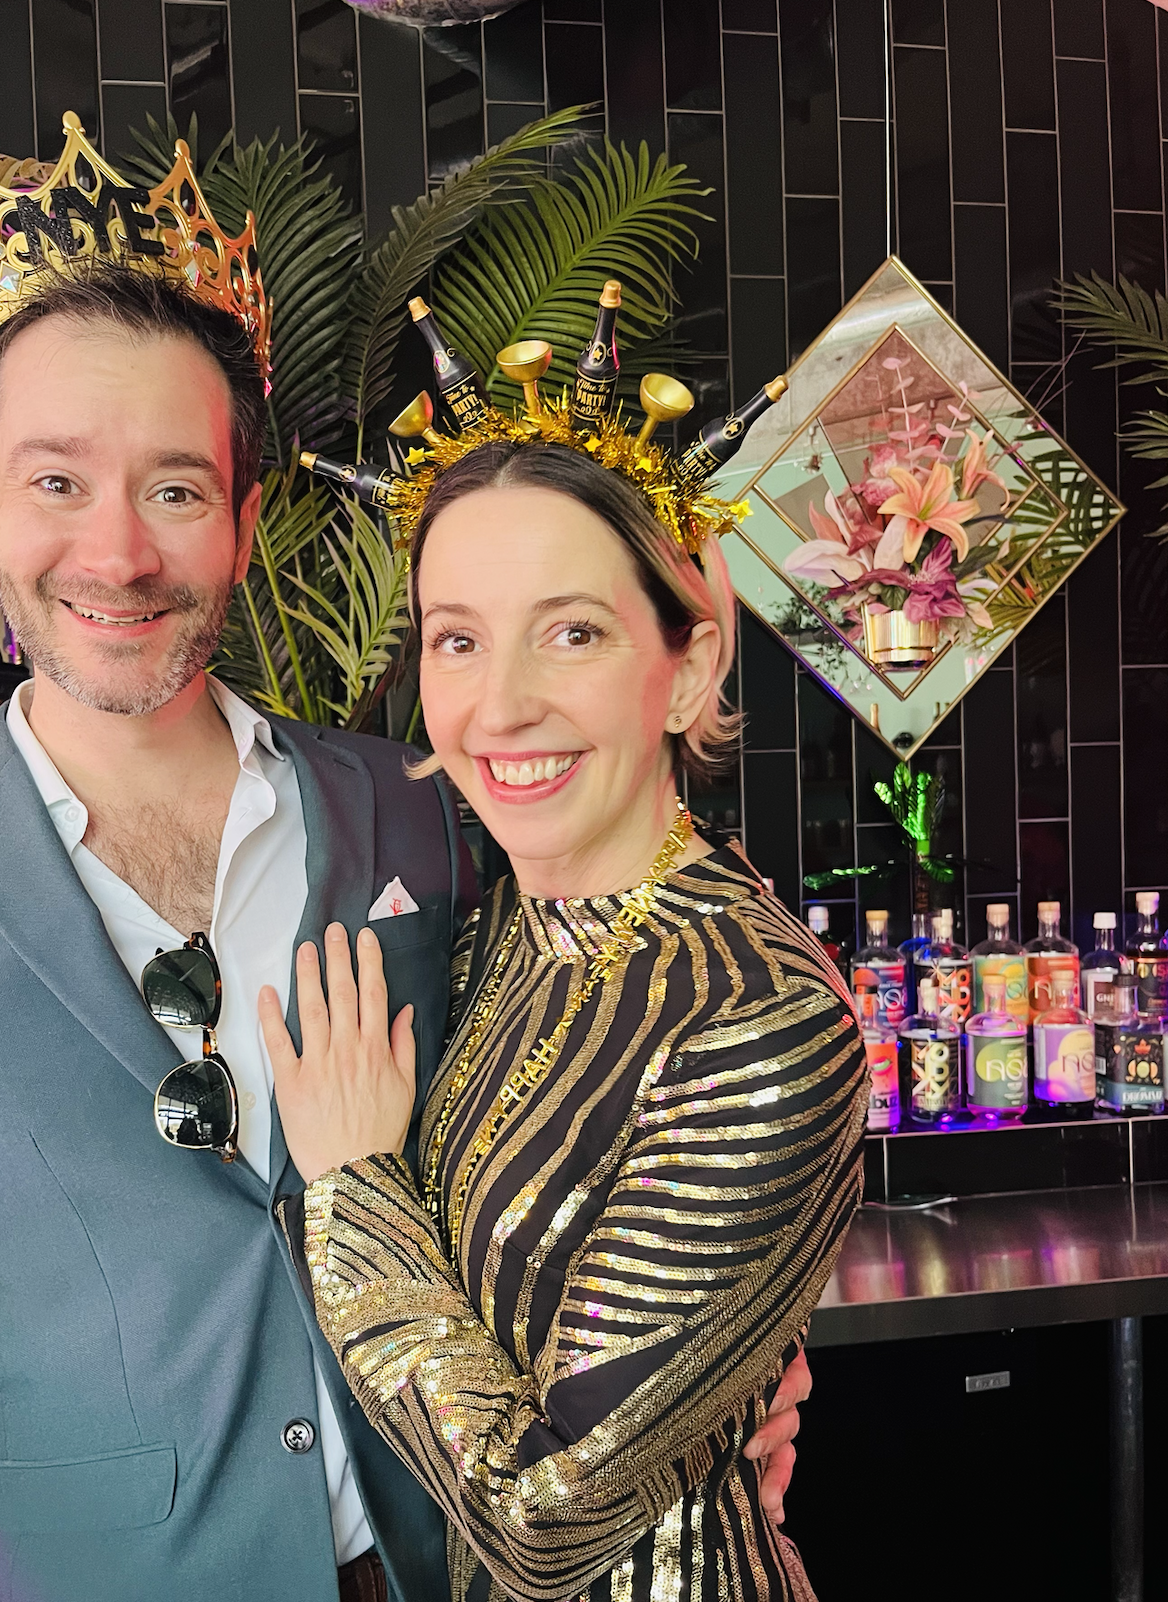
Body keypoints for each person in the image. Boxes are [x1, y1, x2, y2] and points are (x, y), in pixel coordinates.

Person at [0, 124, 805, 1601]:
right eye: (58, 482)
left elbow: (608, 1102)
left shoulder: (420, 811)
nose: (118, 556)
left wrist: (726, 1381)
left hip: (445, 1568)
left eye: (174, 489)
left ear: (243, 516)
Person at [262, 441, 867, 1602]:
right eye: (457, 640)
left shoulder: (759, 1014)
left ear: (687, 670)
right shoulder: (486, 928)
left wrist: (352, 1189)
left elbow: (544, 1522)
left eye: (572, 632)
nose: (500, 706)